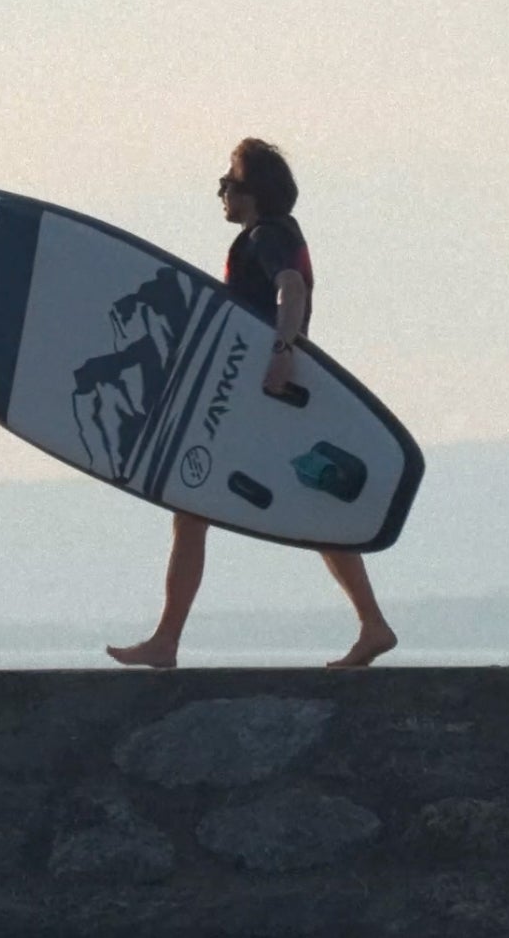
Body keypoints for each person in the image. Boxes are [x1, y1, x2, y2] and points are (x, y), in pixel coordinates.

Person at [107, 138, 399, 670]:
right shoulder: (275, 235)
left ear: (253, 193)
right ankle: (372, 624)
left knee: (192, 507)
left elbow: (291, 290)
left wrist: (283, 351)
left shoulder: (267, 237)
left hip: (259, 394)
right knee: (307, 509)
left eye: (230, 182)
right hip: (265, 394)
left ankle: (167, 641)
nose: (221, 189)